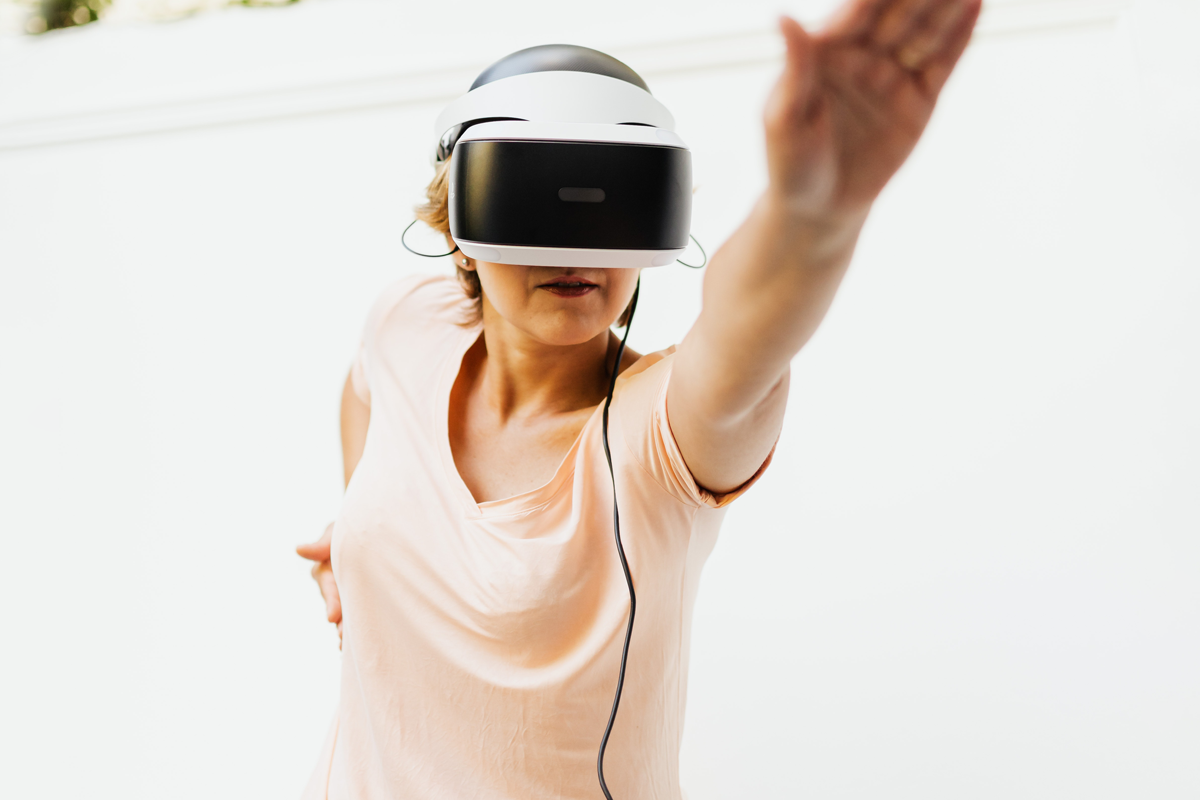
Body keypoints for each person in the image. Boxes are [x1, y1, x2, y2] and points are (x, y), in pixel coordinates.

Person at [296, 0, 980, 796]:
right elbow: (363, 388)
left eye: (610, 201)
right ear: (459, 223)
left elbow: (745, 336)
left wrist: (815, 210)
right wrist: (361, 535)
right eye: (535, 196)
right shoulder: (410, 321)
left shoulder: (661, 434)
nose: (575, 245)